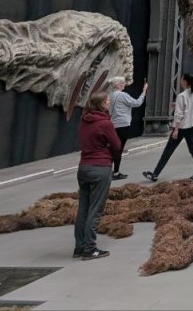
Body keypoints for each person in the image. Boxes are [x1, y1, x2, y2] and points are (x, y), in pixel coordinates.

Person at [74, 91, 120, 260]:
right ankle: (90, 248)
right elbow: (116, 145)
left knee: (83, 208)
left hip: (84, 167)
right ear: (101, 104)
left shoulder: (84, 120)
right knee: (96, 209)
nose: (109, 102)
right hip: (101, 168)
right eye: (107, 101)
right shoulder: (105, 123)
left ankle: (79, 246)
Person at [143, 73, 193, 182]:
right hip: (191, 125)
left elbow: (179, 115)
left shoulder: (181, 96)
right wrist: (178, 105)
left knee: (168, 151)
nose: (180, 80)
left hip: (181, 128)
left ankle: (155, 174)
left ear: (185, 82)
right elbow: (191, 108)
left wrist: (175, 129)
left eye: (181, 79)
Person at [108, 76, 148, 180]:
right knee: (119, 149)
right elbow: (137, 103)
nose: (124, 84)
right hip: (123, 124)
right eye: (122, 83)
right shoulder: (122, 95)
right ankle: (116, 173)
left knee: (113, 149)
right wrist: (144, 92)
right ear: (117, 85)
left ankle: (108, 171)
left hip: (113, 124)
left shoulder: (111, 95)